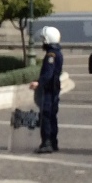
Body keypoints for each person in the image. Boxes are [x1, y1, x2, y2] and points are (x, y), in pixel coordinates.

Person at [30, 26, 64, 154]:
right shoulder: (58, 53)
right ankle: (53, 141)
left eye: (44, 39)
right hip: (54, 88)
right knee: (52, 116)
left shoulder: (51, 55)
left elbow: (48, 74)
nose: (42, 42)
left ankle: (47, 142)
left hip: (49, 90)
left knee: (46, 116)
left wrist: (38, 83)